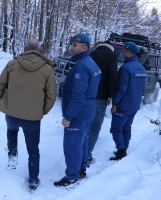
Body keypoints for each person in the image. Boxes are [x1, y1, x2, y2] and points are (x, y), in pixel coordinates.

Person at [0, 39, 57, 191]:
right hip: (32, 117)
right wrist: (42, 111)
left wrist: (8, 102)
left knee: (12, 130)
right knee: (33, 149)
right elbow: (51, 96)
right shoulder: (47, 69)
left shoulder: (12, 64)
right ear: (40, 51)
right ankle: (33, 180)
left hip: (11, 113)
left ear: (24, 48)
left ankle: (12, 154)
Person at [54, 33, 101, 187]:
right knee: (82, 140)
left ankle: (72, 176)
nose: (71, 48)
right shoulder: (90, 62)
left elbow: (78, 96)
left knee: (72, 143)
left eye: (75, 45)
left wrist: (68, 116)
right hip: (88, 109)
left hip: (79, 112)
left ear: (85, 47)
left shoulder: (81, 66)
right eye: (71, 44)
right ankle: (81, 169)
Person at [109, 42, 147, 161]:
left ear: (128, 52)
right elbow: (142, 88)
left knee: (116, 128)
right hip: (134, 105)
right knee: (126, 128)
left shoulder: (125, 68)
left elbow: (121, 88)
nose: (123, 53)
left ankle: (121, 151)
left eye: (124, 51)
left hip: (124, 105)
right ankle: (124, 148)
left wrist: (115, 103)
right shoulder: (142, 69)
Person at [87, 42, 118, 165]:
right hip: (101, 96)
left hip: (87, 95)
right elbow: (113, 76)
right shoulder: (112, 56)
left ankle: (79, 151)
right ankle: (87, 155)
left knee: (85, 125)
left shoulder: (91, 54)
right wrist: (110, 95)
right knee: (95, 127)